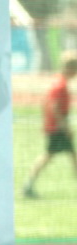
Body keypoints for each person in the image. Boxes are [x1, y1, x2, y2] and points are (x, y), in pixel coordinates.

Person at [22, 51, 77, 198]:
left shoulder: (58, 83)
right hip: (57, 128)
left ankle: (28, 185)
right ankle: (28, 185)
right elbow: (54, 107)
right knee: (49, 155)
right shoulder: (60, 86)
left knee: (69, 155)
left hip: (56, 126)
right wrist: (64, 126)